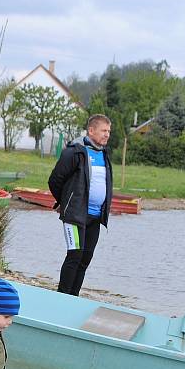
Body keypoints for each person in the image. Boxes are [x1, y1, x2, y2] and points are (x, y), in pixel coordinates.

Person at [48, 114, 113, 296]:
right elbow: (55, 180)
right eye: (103, 130)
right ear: (91, 130)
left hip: (95, 217)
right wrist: (64, 202)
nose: (107, 135)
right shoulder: (75, 152)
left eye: (109, 131)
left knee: (85, 258)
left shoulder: (104, 155)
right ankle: (62, 297)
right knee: (75, 256)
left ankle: (73, 298)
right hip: (76, 216)